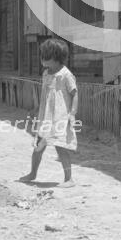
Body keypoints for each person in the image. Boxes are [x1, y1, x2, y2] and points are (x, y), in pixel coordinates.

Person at [20, 38, 78, 187]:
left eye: (47, 56)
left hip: (60, 117)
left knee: (60, 146)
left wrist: (72, 113)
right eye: (42, 56)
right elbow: (46, 95)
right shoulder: (46, 73)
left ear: (58, 58)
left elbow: (75, 94)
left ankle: (68, 179)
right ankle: (33, 173)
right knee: (38, 146)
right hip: (45, 117)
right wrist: (37, 108)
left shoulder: (66, 75)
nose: (42, 59)